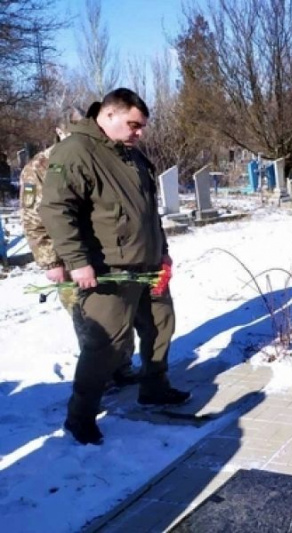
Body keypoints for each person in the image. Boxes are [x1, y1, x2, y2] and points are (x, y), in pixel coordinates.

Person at [39, 88, 190, 446]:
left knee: (160, 326)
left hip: (148, 264)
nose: (139, 133)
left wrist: (162, 250)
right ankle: (81, 417)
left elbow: (147, 211)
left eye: (142, 127)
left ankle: (154, 387)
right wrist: (76, 262)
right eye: (134, 124)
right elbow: (56, 210)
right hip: (109, 269)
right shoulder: (77, 151)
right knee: (105, 345)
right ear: (109, 115)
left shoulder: (130, 155)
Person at [19, 105, 140, 388]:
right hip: (69, 258)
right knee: (89, 320)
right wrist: (51, 262)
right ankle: (97, 378)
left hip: (107, 253)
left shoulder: (101, 158)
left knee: (118, 310)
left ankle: (122, 365)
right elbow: (33, 219)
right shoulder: (40, 167)